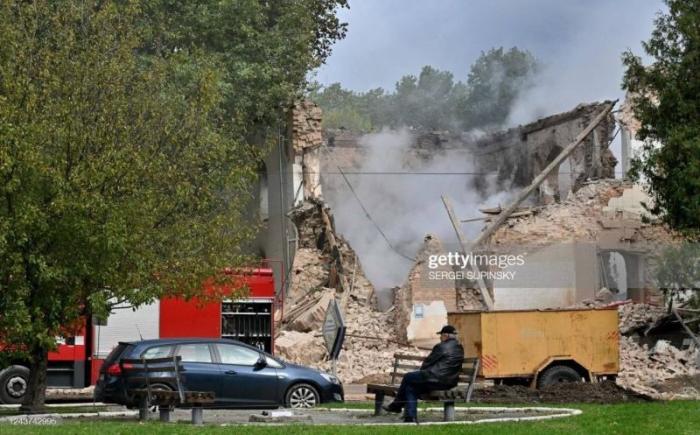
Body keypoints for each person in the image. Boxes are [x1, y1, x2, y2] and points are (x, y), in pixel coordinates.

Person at [383, 325, 465, 423]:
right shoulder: (460, 348)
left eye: (441, 335)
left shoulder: (441, 346)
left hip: (435, 378)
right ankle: (410, 417)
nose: (440, 338)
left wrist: (423, 372)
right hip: (449, 382)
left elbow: (428, 362)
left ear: (446, 335)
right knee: (410, 387)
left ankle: (396, 405)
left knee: (408, 377)